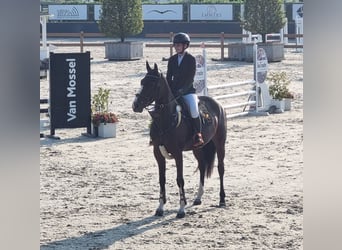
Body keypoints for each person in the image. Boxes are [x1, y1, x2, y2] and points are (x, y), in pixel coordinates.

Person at [166, 32, 204, 147]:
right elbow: (168, 77)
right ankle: (156, 134)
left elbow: (190, 79)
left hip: (187, 91)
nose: (177, 47)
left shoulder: (191, 59)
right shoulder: (172, 59)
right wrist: (169, 90)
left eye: (179, 45)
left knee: (193, 109)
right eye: (176, 45)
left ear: (185, 46)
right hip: (173, 92)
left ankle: (198, 135)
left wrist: (182, 90)